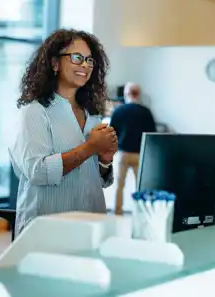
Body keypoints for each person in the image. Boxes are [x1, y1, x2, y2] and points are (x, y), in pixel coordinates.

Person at [10, 29, 118, 236]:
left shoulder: (92, 114)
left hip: (90, 225)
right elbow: (38, 171)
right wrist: (90, 148)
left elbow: (98, 181)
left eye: (89, 60)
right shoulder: (34, 111)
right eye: (77, 58)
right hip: (45, 229)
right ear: (54, 63)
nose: (85, 65)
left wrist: (105, 160)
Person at [110, 82, 157, 214]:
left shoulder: (118, 111)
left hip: (122, 154)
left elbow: (112, 133)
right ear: (139, 94)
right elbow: (152, 135)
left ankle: (117, 213)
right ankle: (141, 213)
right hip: (140, 155)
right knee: (140, 187)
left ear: (126, 94)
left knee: (119, 187)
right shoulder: (146, 112)